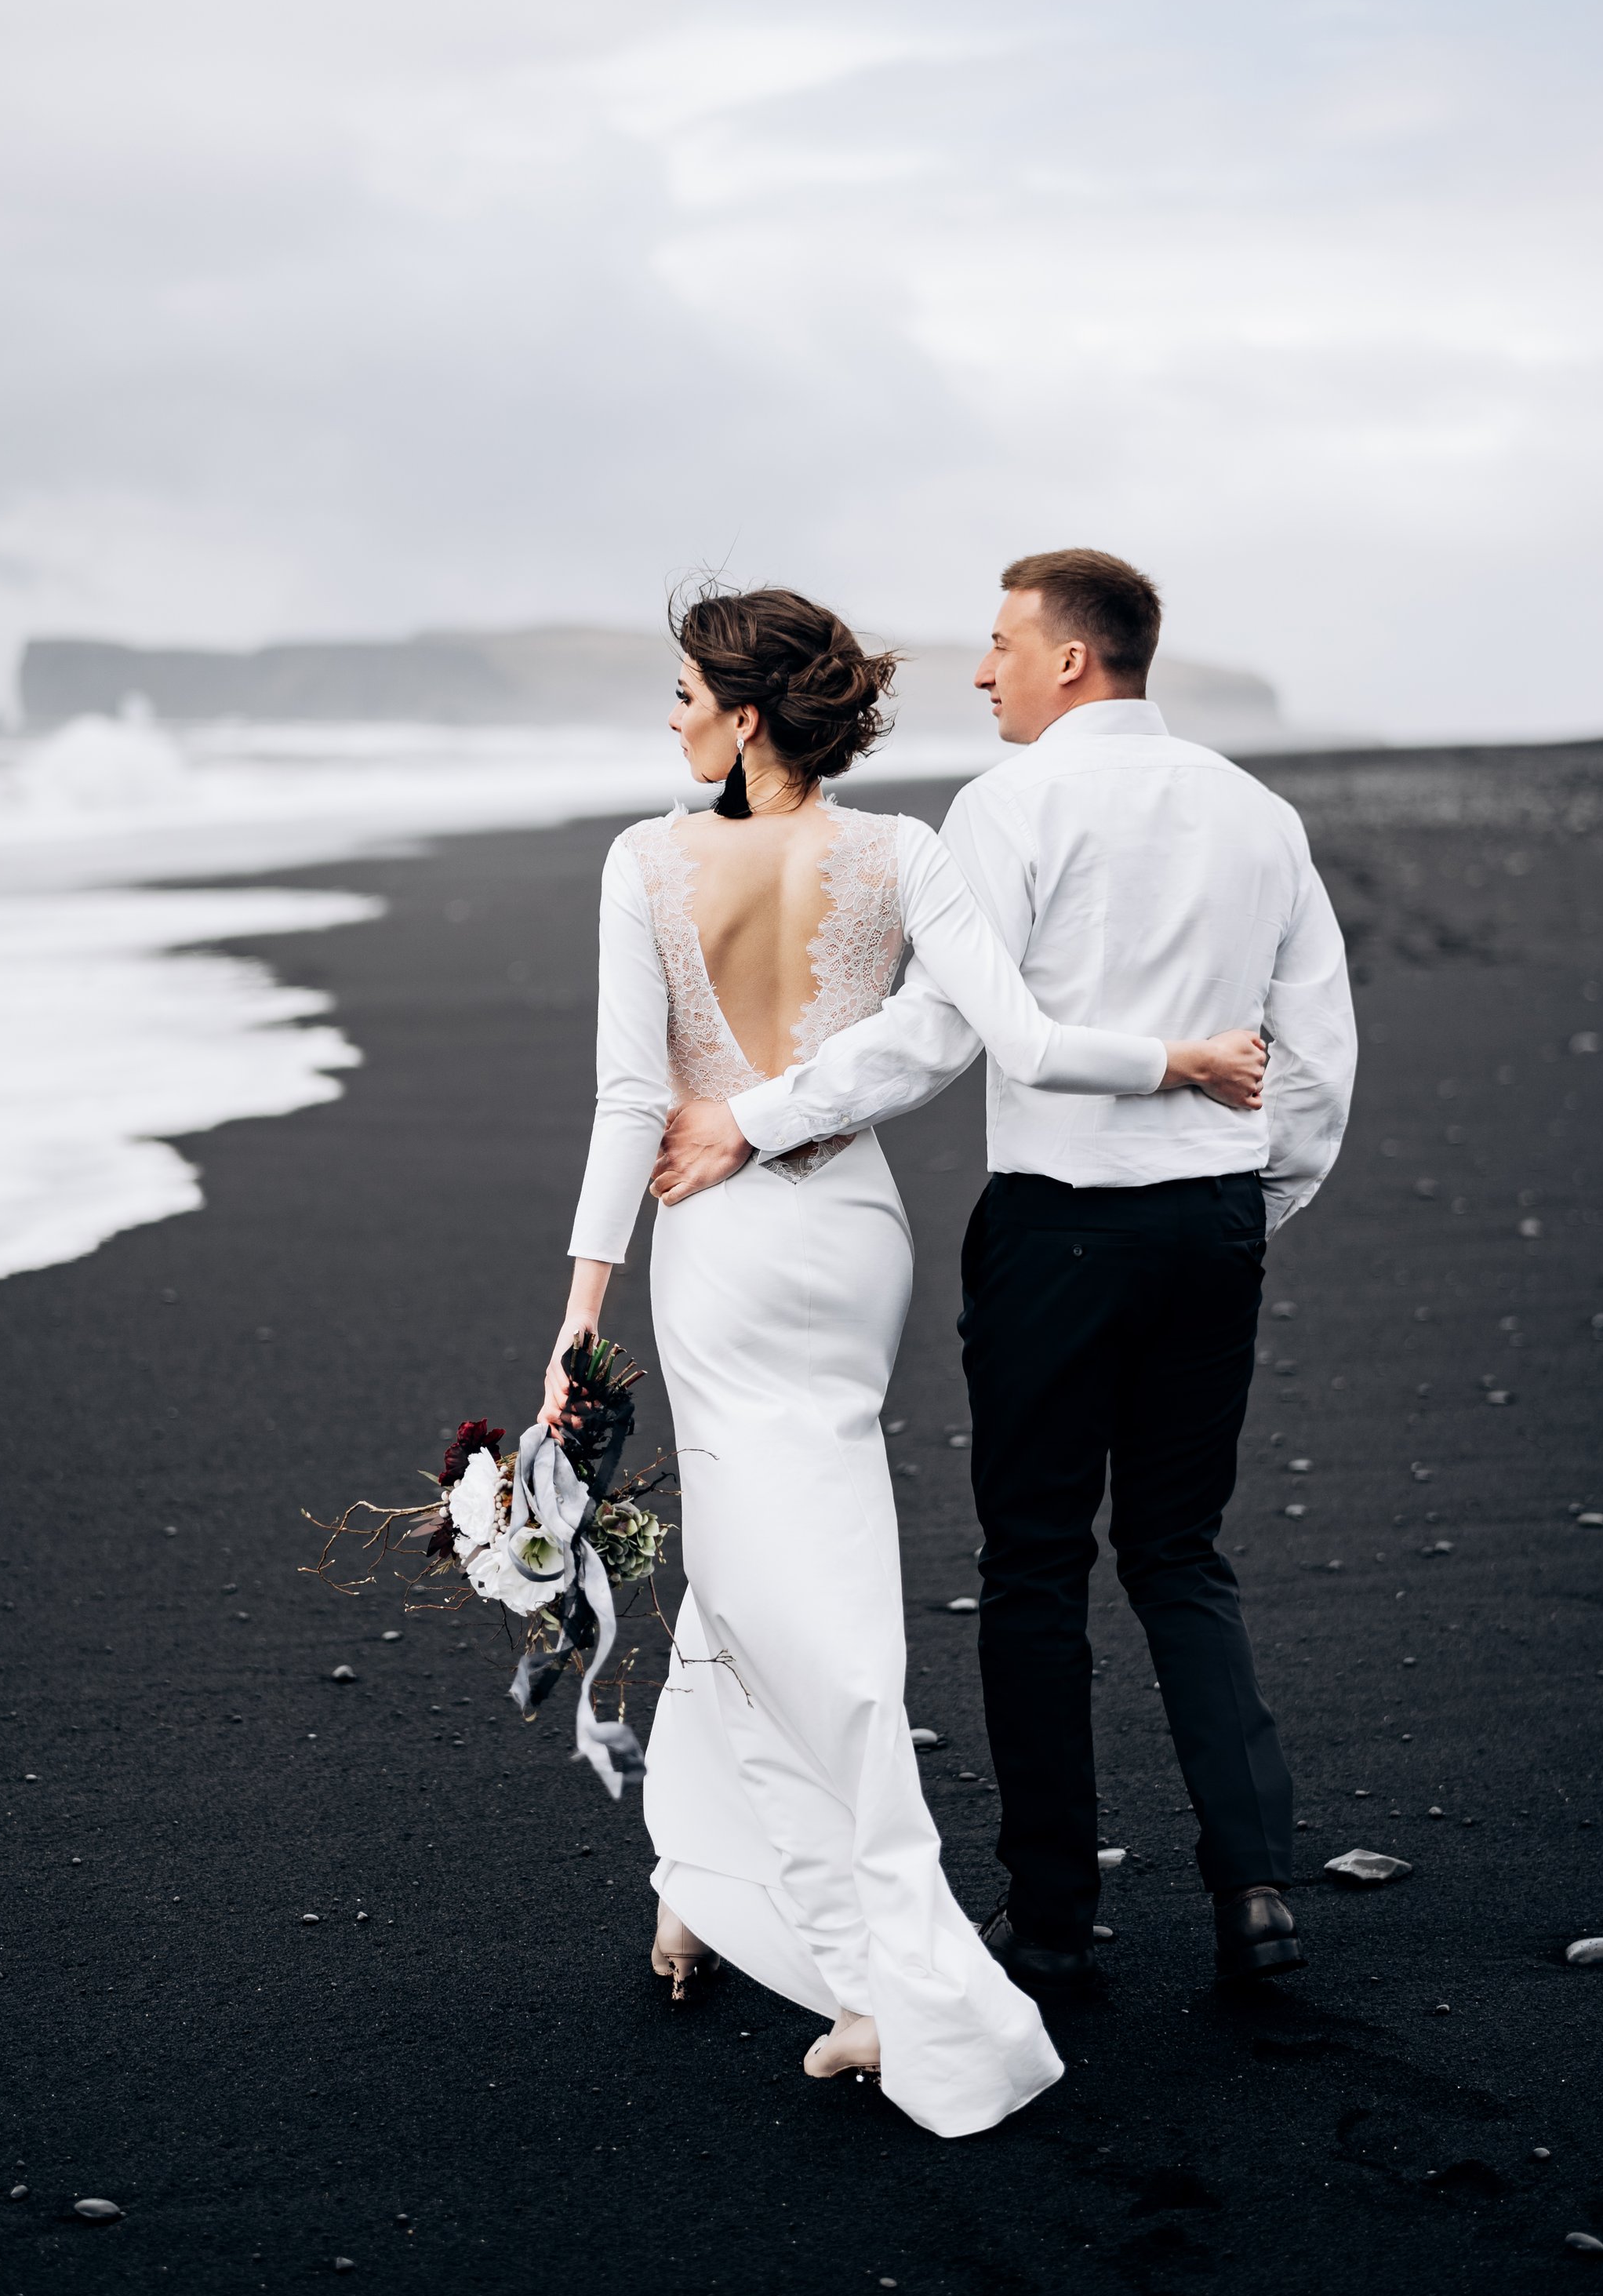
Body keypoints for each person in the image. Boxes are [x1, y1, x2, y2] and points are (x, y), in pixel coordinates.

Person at [542, 582, 1268, 2139]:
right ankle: (705, 1892)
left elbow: (627, 1098)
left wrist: (581, 1309)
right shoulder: (907, 853)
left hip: (721, 1243)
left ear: (745, 716)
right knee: (775, 1567)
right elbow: (1006, 1032)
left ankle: (885, 1978)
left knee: (764, 1585)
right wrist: (1179, 1061)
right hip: (851, 1232)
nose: (667, 719)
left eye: (683, 693)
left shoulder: (642, 862)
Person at [653, 550, 1358, 1999]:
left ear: (1074, 662)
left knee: (1035, 1566)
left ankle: (1050, 1924)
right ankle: (1261, 1902)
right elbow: (1318, 1061)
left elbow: (938, 1032)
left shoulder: (1011, 807)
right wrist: (1243, 1207)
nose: (981, 673)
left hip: (1060, 1233)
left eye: (1000, 647)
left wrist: (756, 1118)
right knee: (1182, 1555)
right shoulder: (1259, 814)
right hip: (1212, 1229)